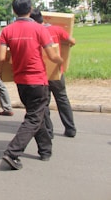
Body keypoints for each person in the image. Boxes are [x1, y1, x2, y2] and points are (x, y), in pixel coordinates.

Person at [0, 0, 63, 170]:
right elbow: (51, 55)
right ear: (30, 9)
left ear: (14, 11)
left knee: (36, 114)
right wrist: (60, 60)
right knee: (34, 117)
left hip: (21, 81)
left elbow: (2, 58)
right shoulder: (39, 29)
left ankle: (45, 150)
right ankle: (12, 152)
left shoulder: (6, 31)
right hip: (38, 80)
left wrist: (0, 70)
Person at [30, 9, 77, 138]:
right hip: (57, 71)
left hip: (41, 73)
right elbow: (72, 41)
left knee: (44, 103)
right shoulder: (57, 30)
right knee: (62, 99)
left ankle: (48, 132)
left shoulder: (33, 32)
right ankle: (70, 129)